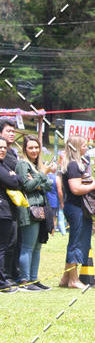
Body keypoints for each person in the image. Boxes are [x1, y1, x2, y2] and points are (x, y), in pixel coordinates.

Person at [59, 136, 95, 289]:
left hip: (78, 208)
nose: (87, 148)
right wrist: (94, 185)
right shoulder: (73, 165)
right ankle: (73, 280)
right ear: (76, 148)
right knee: (76, 243)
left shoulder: (75, 164)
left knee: (78, 241)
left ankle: (66, 278)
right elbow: (76, 189)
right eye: (84, 145)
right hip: (76, 208)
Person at [15, 135, 54, 291]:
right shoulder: (23, 165)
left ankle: (33, 279)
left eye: (36, 147)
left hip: (40, 209)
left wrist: (39, 179)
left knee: (37, 246)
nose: (34, 150)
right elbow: (28, 186)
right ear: (25, 149)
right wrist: (42, 175)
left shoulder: (36, 165)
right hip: (29, 209)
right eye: (31, 147)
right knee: (28, 246)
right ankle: (24, 280)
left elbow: (49, 185)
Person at [0, 118, 21, 284]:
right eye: (9, 131)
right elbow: (12, 180)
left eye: (14, 131)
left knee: (12, 243)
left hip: (12, 206)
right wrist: (18, 178)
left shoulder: (12, 153)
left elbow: (15, 178)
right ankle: (4, 278)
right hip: (3, 207)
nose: (12, 133)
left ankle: (10, 275)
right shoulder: (4, 158)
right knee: (4, 246)